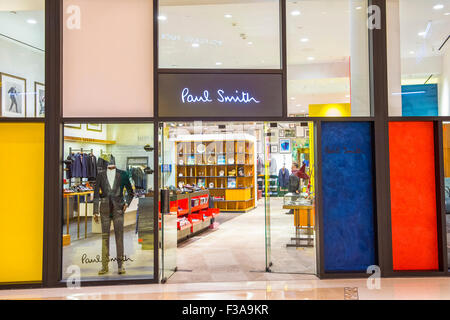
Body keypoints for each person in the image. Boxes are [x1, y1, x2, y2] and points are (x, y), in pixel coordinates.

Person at [93, 162, 134, 275]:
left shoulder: (123, 174)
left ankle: (120, 266)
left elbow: (131, 192)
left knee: (119, 237)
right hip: (105, 209)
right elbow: (96, 193)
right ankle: (104, 266)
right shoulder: (100, 174)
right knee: (105, 238)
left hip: (118, 209)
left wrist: (126, 203)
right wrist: (95, 211)